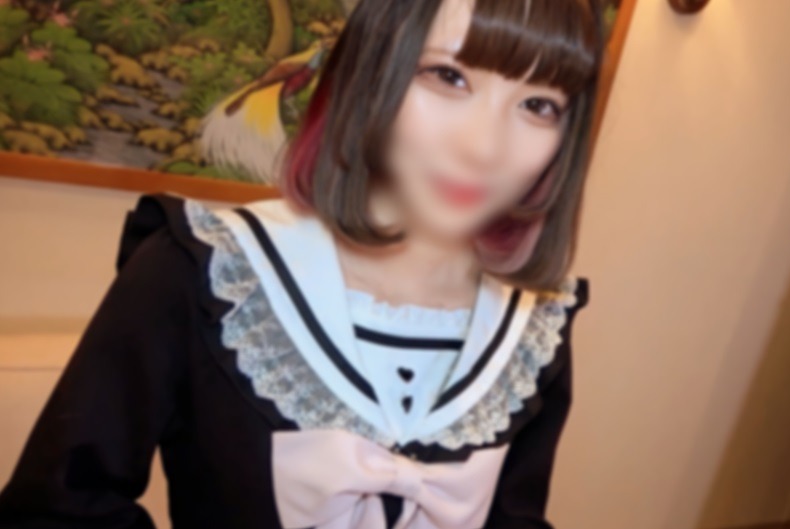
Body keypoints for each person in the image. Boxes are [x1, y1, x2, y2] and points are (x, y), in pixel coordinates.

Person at [0, 0, 603, 527]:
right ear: (371, 71)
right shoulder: (208, 268)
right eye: (448, 76)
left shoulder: (533, 329)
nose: (485, 146)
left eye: (539, 105)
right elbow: (59, 510)